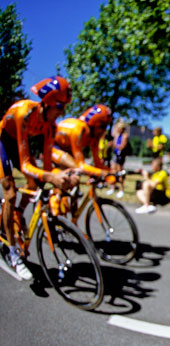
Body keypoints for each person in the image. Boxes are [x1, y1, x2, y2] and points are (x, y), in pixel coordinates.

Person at [0, 76, 79, 280]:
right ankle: (12, 252)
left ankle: (16, 214)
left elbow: (45, 166)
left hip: (19, 146)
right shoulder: (24, 113)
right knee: (10, 192)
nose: (62, 112)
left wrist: (62, 175)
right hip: (3, 141)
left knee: (36, 184)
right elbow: (25, 164)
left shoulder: (50, 126)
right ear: (48, 102)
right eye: (60, 107)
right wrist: (51, 177)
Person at [52, 104, 113, 177]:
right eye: (103, 126)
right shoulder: (79, 129)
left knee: (75, 177)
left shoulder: (94, 137)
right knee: (75, 169)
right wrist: (104, 174)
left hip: (67, 149)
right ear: (94, 123)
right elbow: (81, 166)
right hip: (53, 147)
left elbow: (98, 164)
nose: (104, 130)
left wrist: (111, 172)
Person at [108, 121, 129, 198]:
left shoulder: (125, 136)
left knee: (120, 173)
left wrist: (114, 145)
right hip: (115, 155)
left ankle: (121, 189)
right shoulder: (117, 135)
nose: (117, 129)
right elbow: (115, 145)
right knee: (113, 171)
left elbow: (122, 146)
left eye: (118, 128)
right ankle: (112, 187)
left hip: (121, 156)